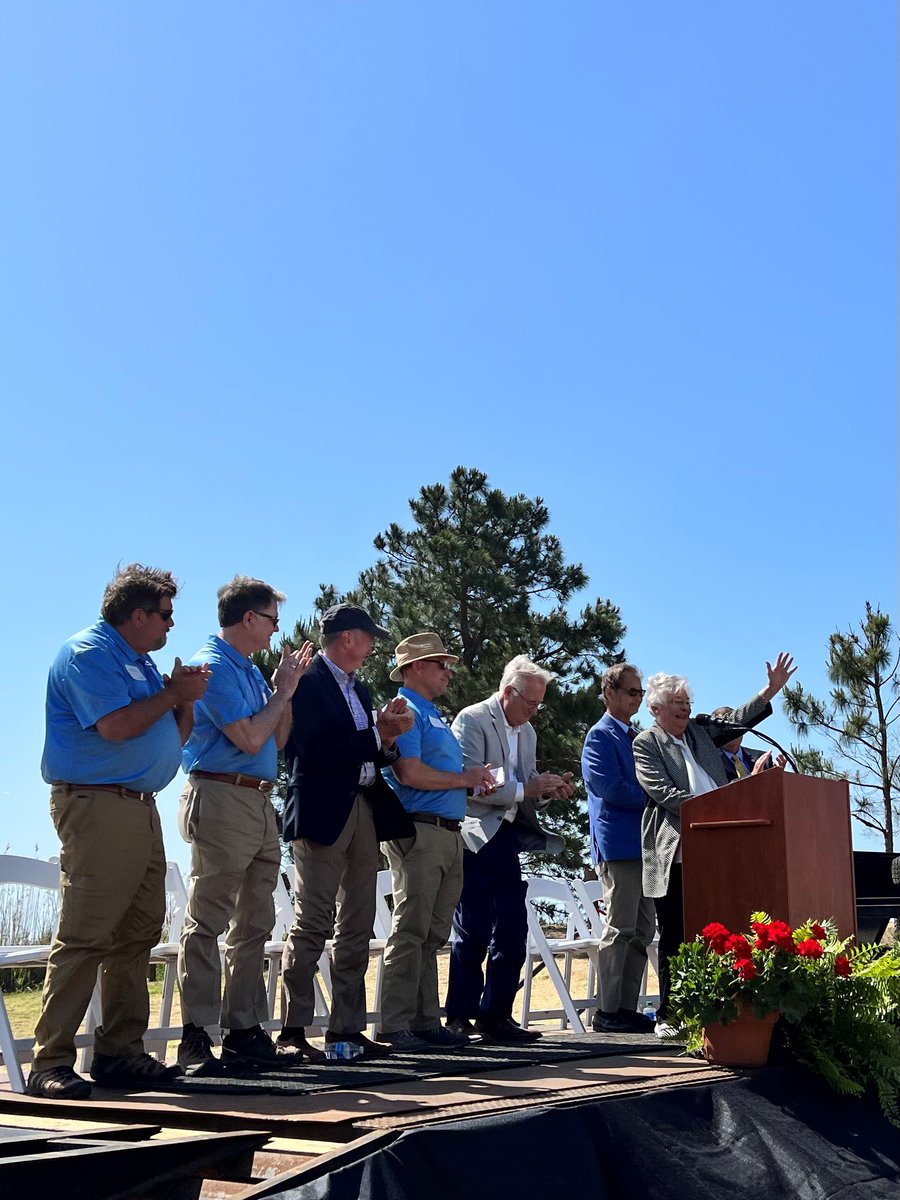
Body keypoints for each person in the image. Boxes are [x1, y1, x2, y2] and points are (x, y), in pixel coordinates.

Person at [29, 564, 210, 1099]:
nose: (171, 625)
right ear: (136, 614)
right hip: (97, 804)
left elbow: (173, 734)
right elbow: (116, 726)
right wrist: (171, 693)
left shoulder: (142, 663)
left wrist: (185, 699)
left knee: (138, 930)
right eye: (164, 614)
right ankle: (50, 1062)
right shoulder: (90, 654)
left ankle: (120, 1053)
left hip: (138, 806)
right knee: (87, 933)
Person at [176, 576, 313, 1068]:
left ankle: (243, 1028)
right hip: (220, 794)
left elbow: (276, 742)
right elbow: (252, 738)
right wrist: (282, 690)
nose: (277, 631)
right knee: (209, 917)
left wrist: (285, 691)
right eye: (273, 620)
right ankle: (197, 1032)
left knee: (255, 920)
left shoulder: (251, 672)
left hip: (257, 799)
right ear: (250, 618)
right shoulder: (213, 664)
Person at [279, 604, 415, 1061]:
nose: (374, 644)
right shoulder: (309, 682)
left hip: (362, 809)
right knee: (313, 921)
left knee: (357, 922)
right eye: (369, 635)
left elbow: (367, 752)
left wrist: (388, 738)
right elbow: (314, 748)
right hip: (320, 811)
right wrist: (378, 735)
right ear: (348, 637)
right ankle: (292, 1032)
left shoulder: (360, 688)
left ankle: (346, 1030)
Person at [633, 653, 794, 1037]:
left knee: (718, 929)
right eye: (677, 705)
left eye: (688, 704)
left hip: (720, 845)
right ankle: (669, 1013)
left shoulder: (702, 730)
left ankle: (716, 1009)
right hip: (676, 849)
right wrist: (710, 808)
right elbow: (661, 792)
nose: (686, 711)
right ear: (655, 709)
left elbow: (740, 718)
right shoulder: (646, 743)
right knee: (675, 932)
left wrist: (770, 689)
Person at [379, 633, 497, 1051]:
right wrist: (465, 779)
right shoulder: (405, 710)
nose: (449, 670)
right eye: (439, 663)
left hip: (447, 831)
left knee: (432, 934)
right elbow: (408, 773)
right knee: (411, 930)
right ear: (414, 668)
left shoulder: (431, 713)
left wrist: (470, 782)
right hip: (420, 830)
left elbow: (432, 775)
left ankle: (425, 1020)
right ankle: (394, 1025)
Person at [446, 656, 573, 1043]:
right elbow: (470, 785)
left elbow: (527, 784)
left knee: (513, 927)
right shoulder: (472, 719)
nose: (534, 711)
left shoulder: (528, 732)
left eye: (540, 704)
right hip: (475, 834)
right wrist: (526, 790)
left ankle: (496, 1014)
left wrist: (548, 790)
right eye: (530, 703)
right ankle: (460, 1016)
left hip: (508, 836)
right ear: (507, 692)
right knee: (474, 926)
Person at [581, 663, 657, 1034]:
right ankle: (608, 1010)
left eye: (640, 693)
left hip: (645, 847)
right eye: (631, 691)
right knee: (620, 926)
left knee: (642, 930)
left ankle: (627, 1007)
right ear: (609, 693)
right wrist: (655, 798)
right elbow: (609, 787)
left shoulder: (637, 736)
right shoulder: (600, 736)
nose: (637, 698)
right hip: (619, 846)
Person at [710, 706, 771, 781]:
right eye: (723, 727)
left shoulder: (762, 757)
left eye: (733, 725)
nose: (730, 731)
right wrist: (753, 776)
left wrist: (779, 774)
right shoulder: (711, 762)